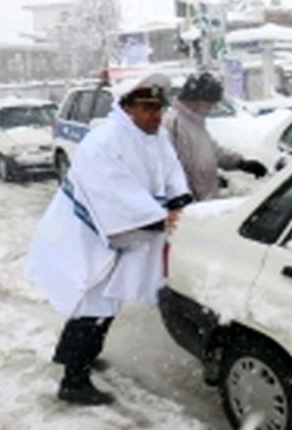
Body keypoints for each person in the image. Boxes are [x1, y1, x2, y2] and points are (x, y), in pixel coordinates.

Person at [26, 74, 191, 406]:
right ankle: (74, 380)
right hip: (92, 233)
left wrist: (178, 200)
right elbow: (113, 189)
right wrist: (157, 216)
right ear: (127, 108)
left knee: (102, 300)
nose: (155, 116)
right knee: (95, 300)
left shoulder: (154, 137)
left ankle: (71, 353)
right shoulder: (104, 140)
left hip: (124, 231)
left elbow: (171, 171)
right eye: (146, 108)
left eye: (158, 108)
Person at [163, 72, 268, 201]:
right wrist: (181, 197)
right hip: (189, 208)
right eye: (210, 103)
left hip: (206, 203)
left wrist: (241, 163)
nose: (212, 108)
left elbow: (213, 151)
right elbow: (166, 169)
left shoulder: (195, 123)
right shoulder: (172, 125)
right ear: (197, 100)